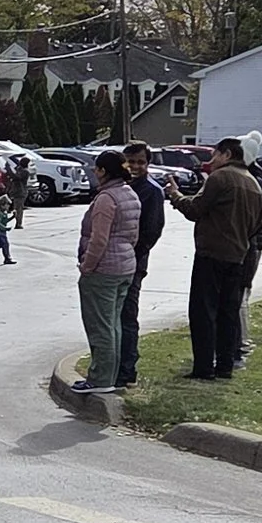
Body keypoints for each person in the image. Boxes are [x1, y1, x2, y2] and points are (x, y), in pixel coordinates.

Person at [169, 136, 262, 382]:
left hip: (211, 253)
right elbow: (259, 222)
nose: (211, 161)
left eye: (214, 155)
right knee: (228, 313)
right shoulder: (253, 183)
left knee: (203, 311)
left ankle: (203, 367)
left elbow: (195, 210)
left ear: (226, 154)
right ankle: (225, 366)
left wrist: (175, 195)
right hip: (238, 255)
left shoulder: (221, 177)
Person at [71, 149, 141, 390]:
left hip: (103, 271)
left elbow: (98, 239)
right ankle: (111, 376)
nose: (94, 171)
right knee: (113, 325)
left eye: (97, 168)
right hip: (125, 266)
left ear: (103, 171)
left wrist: (87, 266)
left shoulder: (106, 199)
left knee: (100, 327)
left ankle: (100, 379)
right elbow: (134, 234)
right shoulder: (129, 193)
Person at [113, 142, 165, 391]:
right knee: (113, 316)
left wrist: (132, 255)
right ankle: (114, 366)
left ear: (148, 163)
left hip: (133, 263)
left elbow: (152, 231)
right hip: (116, 263)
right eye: (130, 161)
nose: (134, 166)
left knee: (126, 316)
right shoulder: (122, 186)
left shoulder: (151, 191)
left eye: (140, 162)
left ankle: (126, 371)